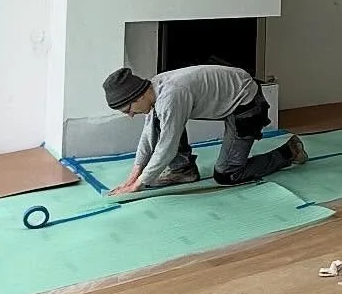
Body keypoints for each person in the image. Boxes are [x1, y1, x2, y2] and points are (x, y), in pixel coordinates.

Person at [102, 63, 307, 195]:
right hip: (234, 93)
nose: (129, 115)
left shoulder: (171, 96)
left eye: (127, 110)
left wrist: (140, 184)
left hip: (247, 104)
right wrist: (133, 175)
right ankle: (184, 171)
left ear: (137, 96)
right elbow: (149, 137)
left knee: (227, 175)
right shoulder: (154, 89)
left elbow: (167, 146)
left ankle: (290, 151)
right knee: (160, 124)